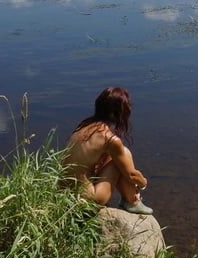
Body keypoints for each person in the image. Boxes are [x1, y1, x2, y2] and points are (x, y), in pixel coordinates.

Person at [65, 87, 153, 215]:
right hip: (89, 199)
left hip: (65, 194)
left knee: (115, 155)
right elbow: (132, 175)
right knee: (124, 154)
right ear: (120, 112)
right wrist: (143, 182)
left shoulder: (83, 126)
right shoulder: (109, 138)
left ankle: (129, 200)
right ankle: (132, 201)